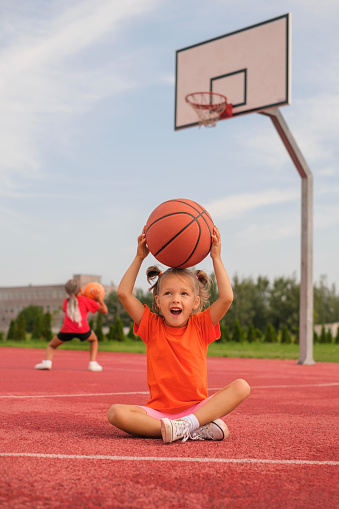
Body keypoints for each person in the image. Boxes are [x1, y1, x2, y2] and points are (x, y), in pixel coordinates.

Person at [107, 226, 250, 443]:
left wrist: (216, 258)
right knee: (115, 413)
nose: (176, 299)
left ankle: (188, 425)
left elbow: (227, 298)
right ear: (157, 301)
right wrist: (139, 257)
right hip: (160, 413)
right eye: (168, 293)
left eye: (184, 294)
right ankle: (188, 429)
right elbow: (123, 293)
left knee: (242, 386)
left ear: (195, 303)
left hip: (197, 409)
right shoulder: (151, 325)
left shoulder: (201, 325)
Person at [34, 278, 108, 372]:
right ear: (81, 290)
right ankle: (92, 364)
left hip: (66, 330)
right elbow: (104, 310)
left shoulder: (66, 302)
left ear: (67, 291)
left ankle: (47, 362)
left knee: (51, 346)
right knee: (94, 340)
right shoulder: (86, 300)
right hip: (82, 330)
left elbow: (66, 310)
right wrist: (98, 299)